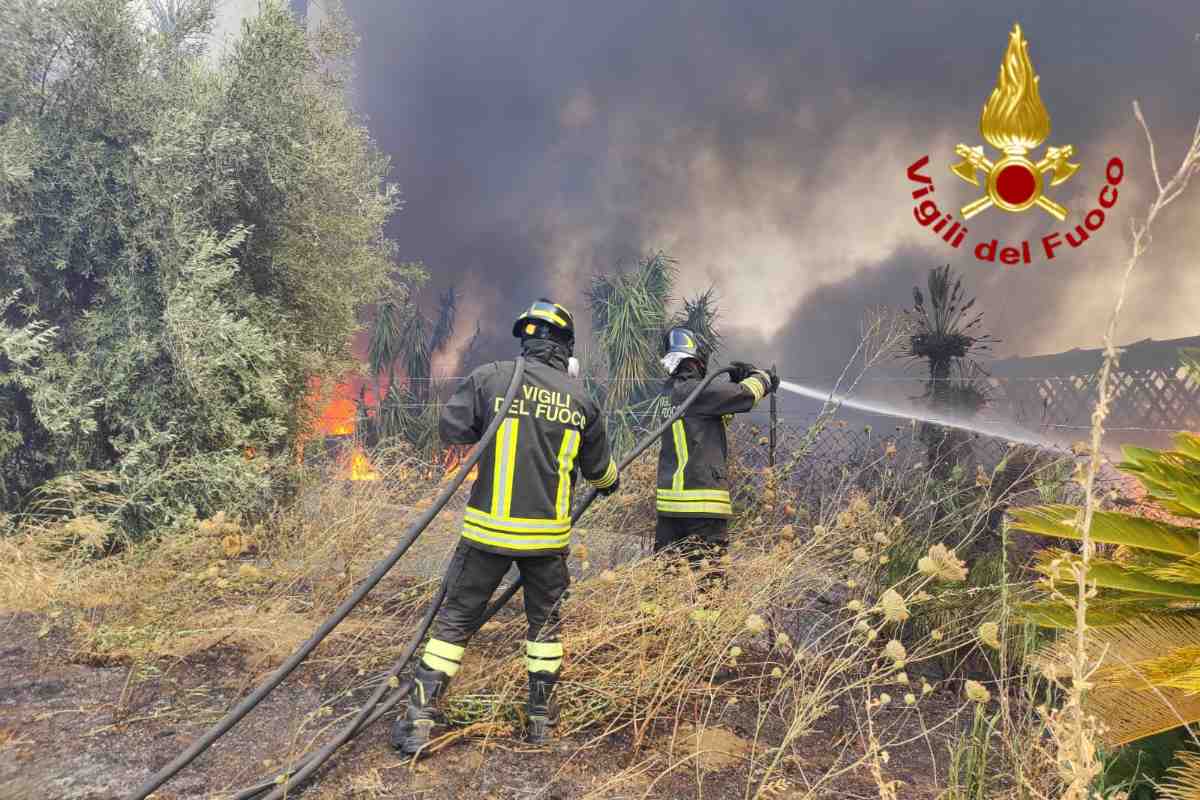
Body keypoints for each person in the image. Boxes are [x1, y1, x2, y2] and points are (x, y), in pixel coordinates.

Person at [392, 299, 619, 756]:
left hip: (487, 535)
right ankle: (540, 723)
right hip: (547, 542)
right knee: (545, 626)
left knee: (456, 621)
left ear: (526, 340)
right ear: (565, 347)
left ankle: (418, 719)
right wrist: (610, 479)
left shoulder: (491, 378)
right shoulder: (582, 400)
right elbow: (602, 476)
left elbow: (453, 431)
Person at [654, 327, 778, 590]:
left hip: (670, 511)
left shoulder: (669, 393)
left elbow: (719, 413)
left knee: (664, 588)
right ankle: (708, 630)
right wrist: (763, 378)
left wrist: (733, 381)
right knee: (710, 589)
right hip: (702, 507)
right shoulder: (694, 392)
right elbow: (744, 398)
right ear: (697, 359)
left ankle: (661, 630)